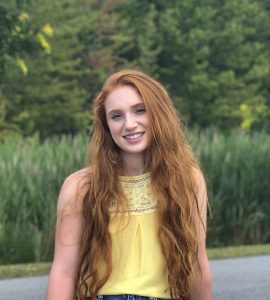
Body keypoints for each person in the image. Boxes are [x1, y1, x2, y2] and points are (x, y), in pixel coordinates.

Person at [46, 69, 212, 300]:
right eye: (117, 116)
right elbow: (63, 272)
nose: (130, 124)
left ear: (159, 114)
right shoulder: (81, 186)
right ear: (106, 125)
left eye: (140, 110)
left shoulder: (187, 179)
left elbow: (197, 264)